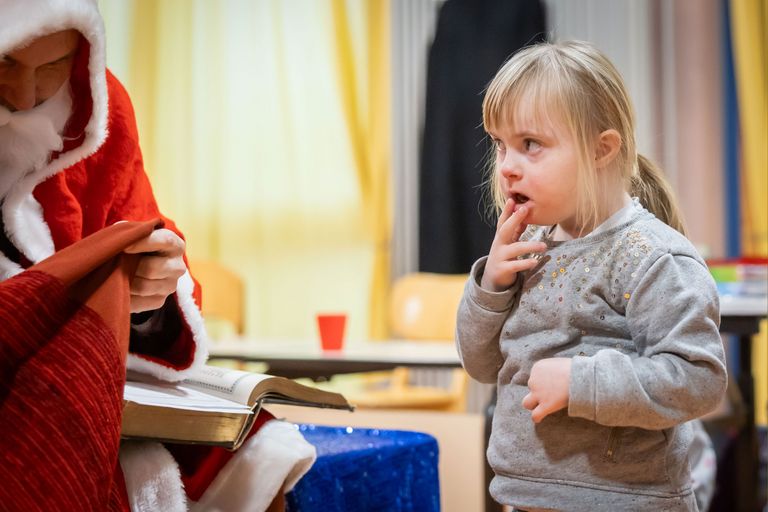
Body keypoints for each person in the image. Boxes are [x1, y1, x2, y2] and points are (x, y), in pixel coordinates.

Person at [0, 1, 314, 510]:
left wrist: (154, 293)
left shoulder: (98, 108)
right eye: (7, 62)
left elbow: (140, 228)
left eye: (52, 66)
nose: (24, 96)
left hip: (101, 382)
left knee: (260, 450)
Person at [456, 40, 727, 511]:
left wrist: (581, 383)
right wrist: (491, 288)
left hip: (627, 502)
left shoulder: (652, 256)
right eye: (500, 145)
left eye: (531, 145)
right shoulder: (531, 245)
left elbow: (697, 379)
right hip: (527, 498)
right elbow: (481, 366)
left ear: (602, 150)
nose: (506, 168)